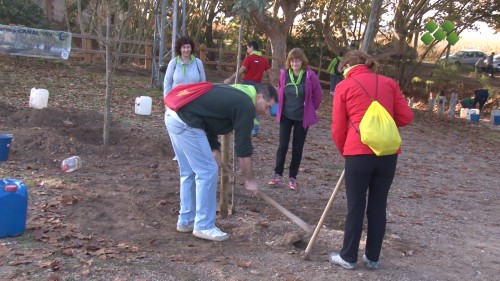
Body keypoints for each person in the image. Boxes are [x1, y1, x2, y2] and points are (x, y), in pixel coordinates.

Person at [330, 50, 413, 270]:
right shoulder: (389, 83)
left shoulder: (344, 86)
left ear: (347, 65)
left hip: (358, 152)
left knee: (355, 206)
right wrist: (383, 120)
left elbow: (338, 127)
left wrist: (345, 151)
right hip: (388, 153)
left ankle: (348, 256)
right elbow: (406, 117)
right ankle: (373, 257)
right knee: (378, 204)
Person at [165, 82, 278, 242]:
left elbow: (209, 116)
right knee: (207, 171)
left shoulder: (240, 93)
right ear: (259, 97)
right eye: (267, 107)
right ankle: (204, 226)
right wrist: (250, 180)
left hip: (174, 115)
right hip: (185, 120)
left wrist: (213, 148)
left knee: (189, 171)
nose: (267, 113)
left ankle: (186, 221)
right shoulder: (246, 104)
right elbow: (243, 148)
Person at [268, 48, 322, 190]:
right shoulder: (284, 74)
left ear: (302, 61)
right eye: (292, 60)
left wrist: (311, 109)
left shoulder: (310, 76)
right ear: (289, 62)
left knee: (297, 148)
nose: (295, 63)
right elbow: (280, 91)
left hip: (301, 117)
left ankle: (292, 177)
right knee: (283, 146)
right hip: (286, 115)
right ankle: (277, 174)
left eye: (297, 60)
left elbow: (318, 96)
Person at [224, 41, 275, 137]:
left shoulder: (250, 58)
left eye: (248, 48)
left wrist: (230, 78)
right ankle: (254, 130)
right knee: (257, 107)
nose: (247, 50)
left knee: (243, 105)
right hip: (258, 86)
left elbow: (241, 69)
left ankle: (241, 127)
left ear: (251, 47)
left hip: (246, 85)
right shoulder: (264, 60)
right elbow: (269, 73)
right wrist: (273, 85)